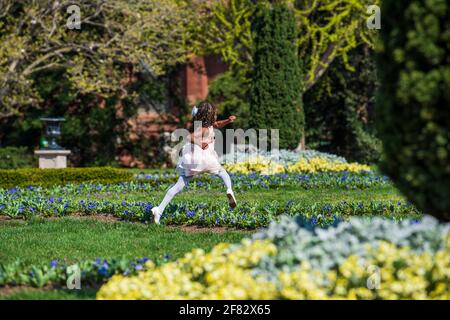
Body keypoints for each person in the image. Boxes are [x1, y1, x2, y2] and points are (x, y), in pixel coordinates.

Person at [151, 101, 237, 224]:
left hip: (194, 161)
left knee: (179, 185)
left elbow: (217, 124)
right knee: (222, 172)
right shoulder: (203, 128)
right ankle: (229, 189)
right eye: (215, 113)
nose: (216, 116)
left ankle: (158, 210)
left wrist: (227, 121)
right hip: (206, 159)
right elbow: (189, 137)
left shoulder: (208, 125)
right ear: (211, 115)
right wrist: (200, 143)